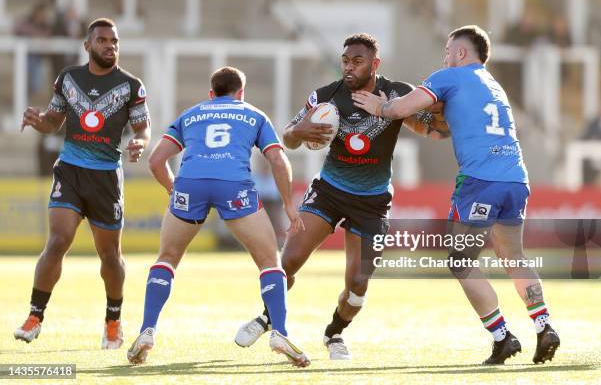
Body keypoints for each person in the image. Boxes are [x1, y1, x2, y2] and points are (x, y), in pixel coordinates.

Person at [352, 25, 560, 365]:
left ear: (461, 53)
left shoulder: (449, 77)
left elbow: (398, 110)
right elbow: (443, 129)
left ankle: (502, 336)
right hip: (515, 179)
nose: (444, 57)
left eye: (448, 50)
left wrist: (379, 105)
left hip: (481, 180)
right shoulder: (493, 85)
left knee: (461, 261)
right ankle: (544, 325)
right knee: (514, 258)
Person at [235, 33, 415, 360]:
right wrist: (298, 132)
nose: (348, 67)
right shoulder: (324, 96)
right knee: (287, 262)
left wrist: (397, 110)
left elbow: (432, 124)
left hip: (373, 202)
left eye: (357, 61)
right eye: (345, 60)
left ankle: (334, 334)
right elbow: (288, 136)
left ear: (375, 64)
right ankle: (267, 317)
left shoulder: (398, 93)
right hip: (329, 192)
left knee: (358, 285)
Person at [126, 66, 310, 367]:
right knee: (269, 262)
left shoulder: (190, 114)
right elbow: (277, 158)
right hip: (234, 186)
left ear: (211, 94)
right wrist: (289, 204)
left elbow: (156, 160)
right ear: (241, 93)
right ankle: (279, 332)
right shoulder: (253, 114)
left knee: (167, 258)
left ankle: (147, 330)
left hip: (191, 183)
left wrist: (175, 190)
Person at [15, 18, 151, 349]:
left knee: (109, 255)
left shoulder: (131, 86)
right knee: (58, 241)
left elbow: (143, 129)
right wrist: (39, 122)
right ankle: (35, 317)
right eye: (103, 40)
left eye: (115, 41)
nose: (110, 46)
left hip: (106, 177)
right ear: (87, 46)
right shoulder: (68, 79)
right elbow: (54, 121)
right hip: (71, 171)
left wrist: (140, 143)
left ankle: (113, 321)